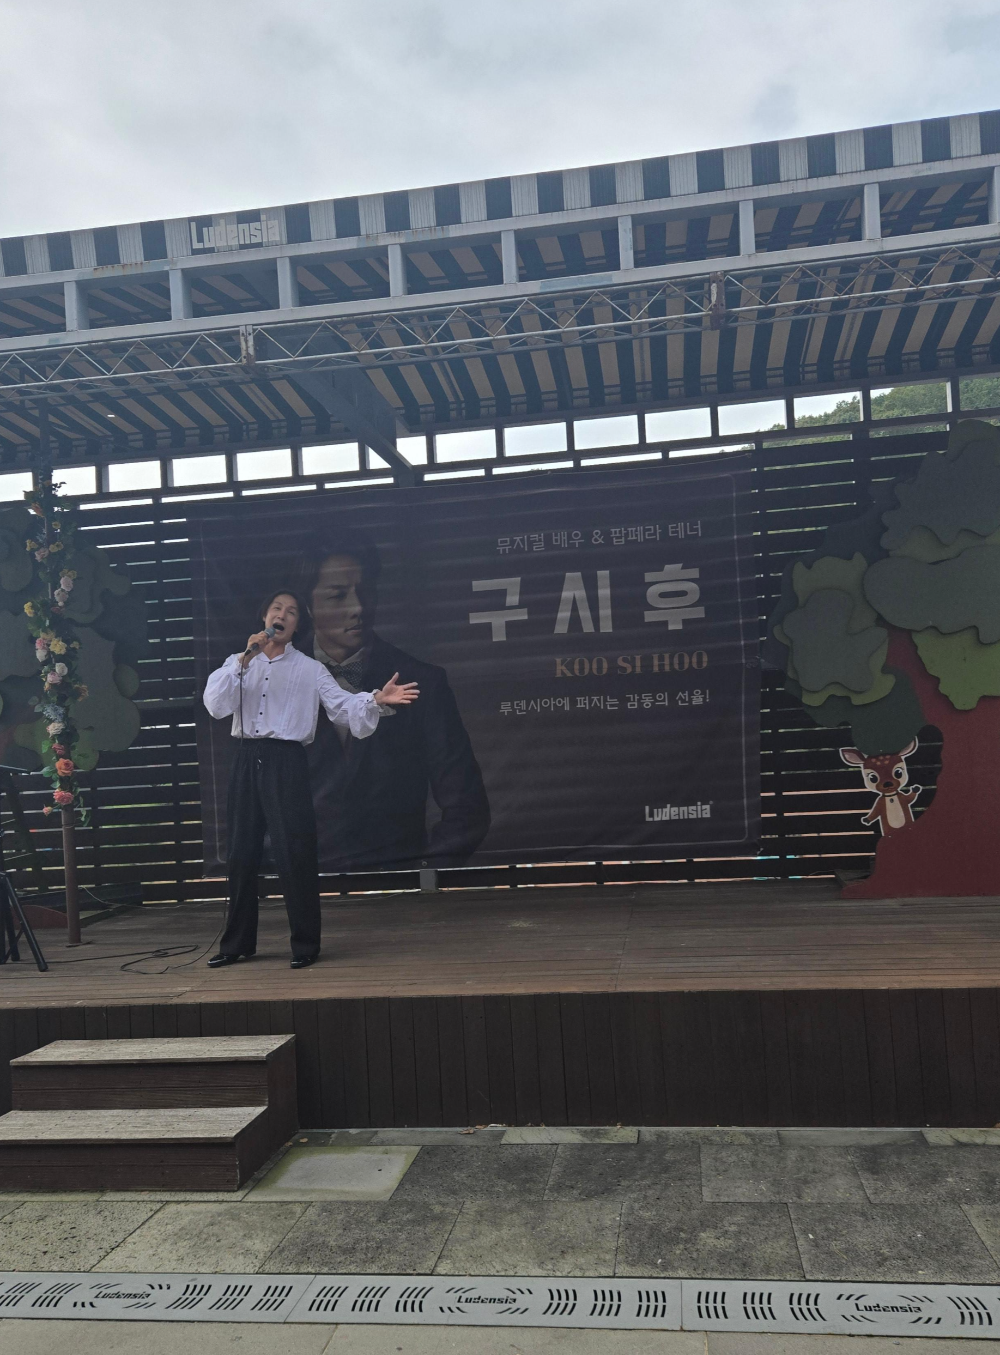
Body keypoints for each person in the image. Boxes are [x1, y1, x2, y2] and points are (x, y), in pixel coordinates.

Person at [203, 588, 418, 968]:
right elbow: (216, 705)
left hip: (286, 760)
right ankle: (237, 944)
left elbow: (341, 707)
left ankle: (305, 945)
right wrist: (244, 658)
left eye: (291, 612)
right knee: (240, 853)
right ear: (264, 617)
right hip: (245, 756)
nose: (282, 615)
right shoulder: (239, 663)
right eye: (276, 608)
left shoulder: (309, 669)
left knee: (294, 851)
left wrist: (375, 700)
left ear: (297, 625)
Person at [298, 531, 490, 870]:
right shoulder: (271, 680)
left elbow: (467, 806)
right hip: (299, 883)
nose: (358, 608)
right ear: (308, 605)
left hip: (398, 882)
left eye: (365, 591)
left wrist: (423, 873)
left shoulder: (423, 682)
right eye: (338, 595)